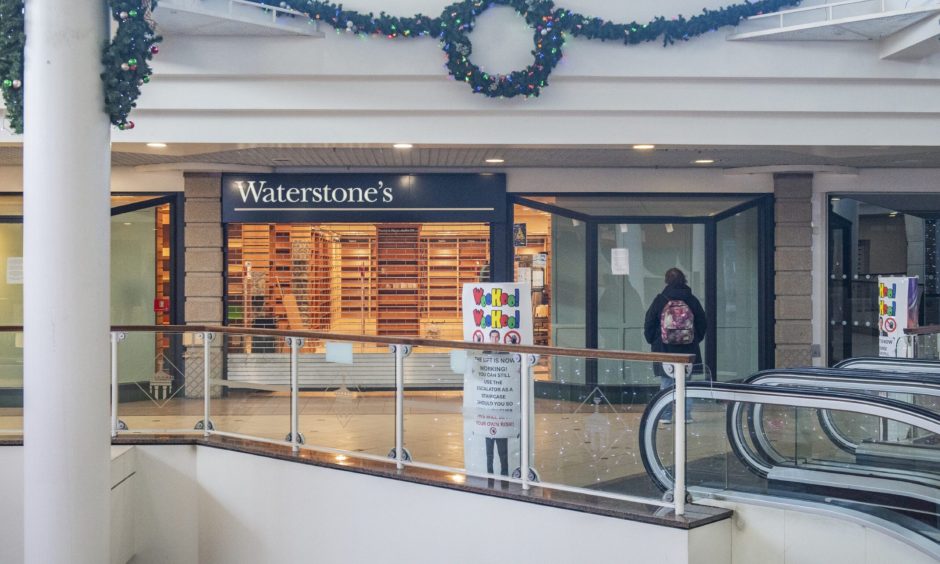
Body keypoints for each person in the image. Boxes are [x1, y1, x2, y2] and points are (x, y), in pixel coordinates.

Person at [643, 268, 707, 423]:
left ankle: (665, 415)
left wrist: (654, 340)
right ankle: (685, 415)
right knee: (686, 383)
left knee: (666, 382)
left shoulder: (660, 299)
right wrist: (694, 339)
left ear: (666, 280)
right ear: (684, 280)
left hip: (665, 348)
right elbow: (702, 322)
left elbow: (649, 322)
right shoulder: (691, 300)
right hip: (687, 348)